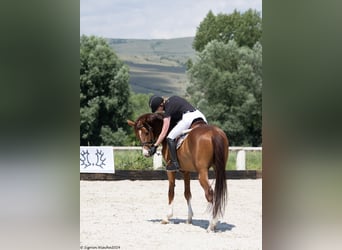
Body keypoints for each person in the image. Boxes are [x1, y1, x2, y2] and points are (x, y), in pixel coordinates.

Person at [148, 95, 207, 171]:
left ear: (161, 105)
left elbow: (163, 132)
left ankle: (175, 164)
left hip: (188, 118)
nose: (158, 111)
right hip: (200, 115)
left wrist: (155, 146)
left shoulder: (168, 110)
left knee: (170, 137)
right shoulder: (174, 98)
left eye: (157, 109)